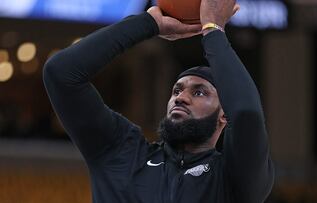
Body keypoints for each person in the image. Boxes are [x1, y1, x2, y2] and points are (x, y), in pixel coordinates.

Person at [43, 0, 274, 202]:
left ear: (225, 115)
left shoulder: (233, 178)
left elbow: (247, 115)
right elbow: (61, 73)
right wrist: (148, 24)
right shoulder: (120, 151)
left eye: (199, 92)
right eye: (176, 90)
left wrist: (213, 30)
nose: (181, 98)